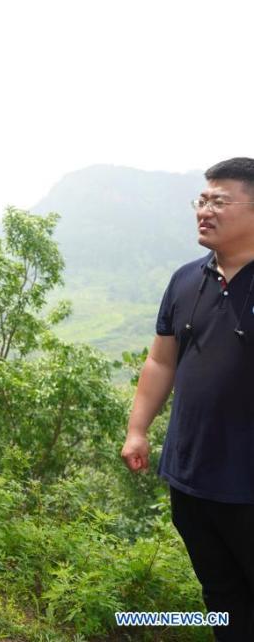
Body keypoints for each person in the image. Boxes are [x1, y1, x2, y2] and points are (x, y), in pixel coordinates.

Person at [121, 157, 254, 641]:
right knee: (220, 595)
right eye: (202, 200)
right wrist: (138, 429)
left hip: (248, 487)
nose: (205, 210)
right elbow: (162, 362)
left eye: (220, 200)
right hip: (192, 478)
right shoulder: (185, 279)